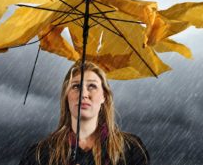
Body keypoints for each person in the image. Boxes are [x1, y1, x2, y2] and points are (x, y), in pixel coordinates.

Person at [19, 60, 149, 165]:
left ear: (104, 96)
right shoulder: (40, 154)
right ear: (66, 96)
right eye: (76, 86)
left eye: (92, 86)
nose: (84, 94)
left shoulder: (130, 149)